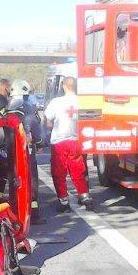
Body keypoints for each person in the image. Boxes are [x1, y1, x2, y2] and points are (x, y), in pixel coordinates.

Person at [44, 76, 92, 211]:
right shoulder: (82, 101)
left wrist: (50, 127)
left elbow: (48, 123)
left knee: (59, 172)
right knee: (78, 170)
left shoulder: (56, 102)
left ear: (64, 86)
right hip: (76, 140)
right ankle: (84, 196)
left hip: (59, 141)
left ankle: (64, 201)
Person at [9, 79, 45, 223]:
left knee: (13, 181)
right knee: (31, 180)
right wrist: (40, 142)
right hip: (26, 151)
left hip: (10, 151)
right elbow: (35, 128)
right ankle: (33, 213)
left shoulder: (6, 107)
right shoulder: (27, 107)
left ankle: (14, 212)